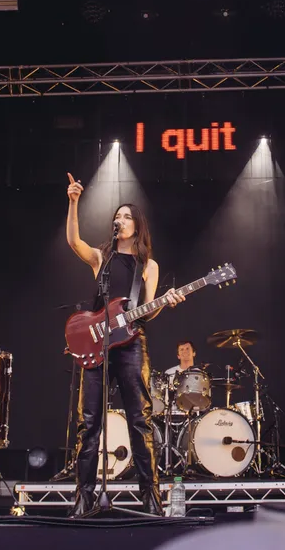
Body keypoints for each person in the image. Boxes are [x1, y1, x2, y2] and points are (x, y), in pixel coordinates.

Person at [66, 172, 185, 516]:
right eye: (116, 216)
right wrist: (74, 202)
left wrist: (165, 301)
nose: (119, 219)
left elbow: (147, 312)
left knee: (140, 419)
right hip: (96, 348)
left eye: (126, 216)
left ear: (138, 225)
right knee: (89, 422)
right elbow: (74, 241)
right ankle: (84, 496)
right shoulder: (102, 259)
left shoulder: (148, 265)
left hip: (132, 345)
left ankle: (150, 495)